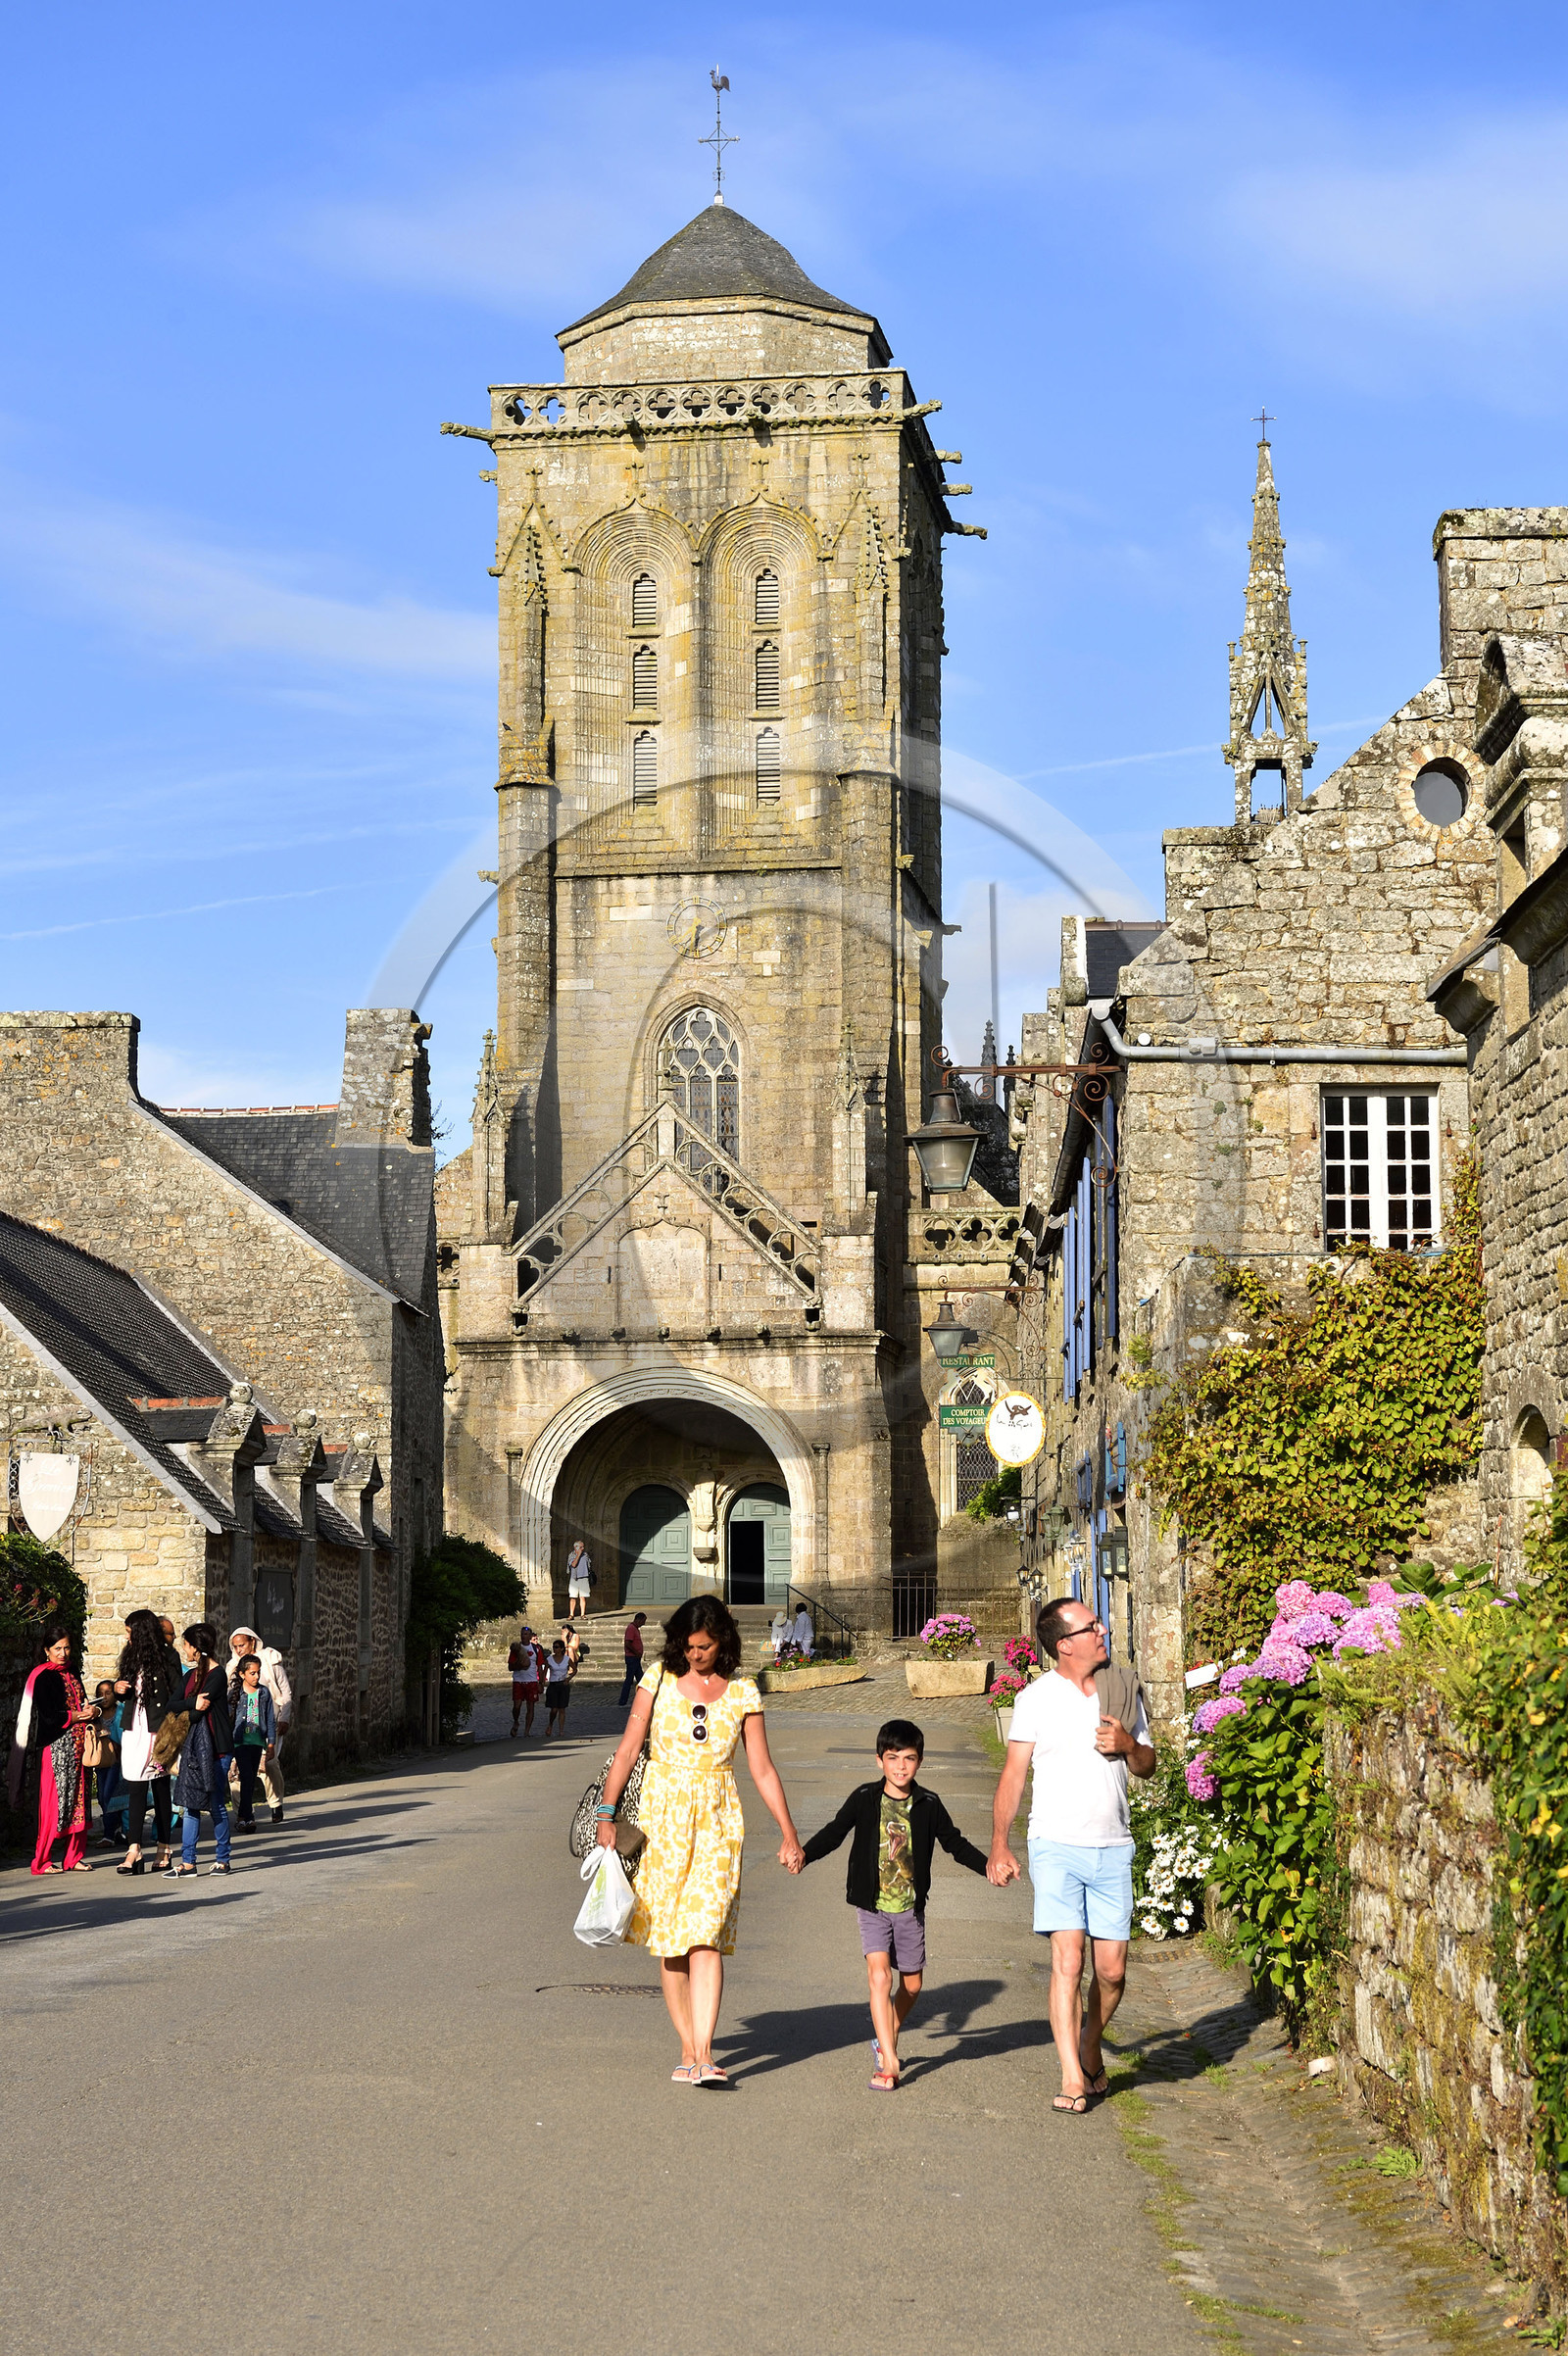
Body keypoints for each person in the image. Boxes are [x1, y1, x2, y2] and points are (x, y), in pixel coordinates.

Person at [596, 1595, 805, 2087]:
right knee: (672, 1940)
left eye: (705, 1646)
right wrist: (607, 1812)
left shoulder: (743, 1693)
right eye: (688, 1646)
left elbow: (762, 1768)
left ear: (723, 1642)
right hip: (662, 1820)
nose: (695, 1655)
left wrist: (789, 1832)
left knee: (705, 1934)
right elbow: (628, 1747)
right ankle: (688, 2050)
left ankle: (706, 2055)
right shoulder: (656, 1679)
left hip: (717, 1821)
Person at [987, 1598, 1154, 2113]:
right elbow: (1014, 1775)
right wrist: (1000, 1843)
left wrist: (1128, 1743)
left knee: (1112, 1972)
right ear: (1065, 1644)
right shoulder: (1036, 1699)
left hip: (1112, 1846)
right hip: (1055, 1843)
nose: (1102, 1629)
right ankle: (1071, 2077)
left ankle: (1090, 2043)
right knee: (1068, 1960)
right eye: (1090, 1625)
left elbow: (1147, 1765)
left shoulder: (1122, 1689)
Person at [796, 1717, 989, 2089]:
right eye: (893, 1757)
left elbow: (955, 1844)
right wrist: (804, 1854)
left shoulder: (929, 1804)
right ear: (879, 1760)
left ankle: (887, 2033)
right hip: (872, 1905)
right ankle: (888, 2061)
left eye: (910, 1758)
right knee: (880, 1977)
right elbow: (835, 1832)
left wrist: (988, 1867)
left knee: (912, 1985)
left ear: (920, 1762)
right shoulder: (865, 1799)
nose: (901, 1766)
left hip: (909, 1907)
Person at [7, 1624, 99, 1873]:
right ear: (46, 1650)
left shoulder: (73, 1673)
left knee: (80, 1802)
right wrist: (79, 1716)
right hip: (55, 1748)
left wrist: (92, 1711)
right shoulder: (42, 1676)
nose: (63, 1653)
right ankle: (42, 1860)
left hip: (79, 1747)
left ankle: (73, 1857)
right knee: (52, 1804)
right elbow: (48, 1716)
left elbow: (84, 1703)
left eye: (67, 1647)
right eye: (57, 1648)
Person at [113, 1607, 184, 1876]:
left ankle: (164, 1846)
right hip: (134, 1728)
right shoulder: (130, 1656)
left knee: (161, 1787)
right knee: (135, 1788)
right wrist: (119, 1688)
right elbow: (126, 1693)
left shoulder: (168, 1656)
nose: (128, 1638)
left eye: (131, 1633)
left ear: (142, 1632)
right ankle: (134, 1849)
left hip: (157, 1729)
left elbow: (178, 1692)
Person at [172, 1623, 233, 1877]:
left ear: (195, 1648)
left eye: (186, 1644)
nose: (184, 1649)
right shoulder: (188, 1676)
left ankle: (223, 1858)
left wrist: (190, 1706)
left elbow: (198, 1713)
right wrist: (189, 1703)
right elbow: (172, 1705)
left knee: (216, 1803)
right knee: (191, 1805)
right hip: (193, 1750)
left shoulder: (217, 1675)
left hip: (217, 1749)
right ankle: (188, 1862)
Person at [226, 1624, 291, 1824]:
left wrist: (284, 1718)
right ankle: (242, 1812)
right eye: (235, 1646)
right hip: (240, 1734)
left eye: (242, 1645)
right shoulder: (232, 1667)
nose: (238, 1649)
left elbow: (285, 1692)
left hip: (264, 1724)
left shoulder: (270, 1660)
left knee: (269, 1766)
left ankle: (275, 1803)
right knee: (236, 1773)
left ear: (252, 1642)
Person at [228, 1653, 276, 1833]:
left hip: (257, 1742)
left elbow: (270, 1719)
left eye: (258, 1673)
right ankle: (246, 1817)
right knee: (247, 1776)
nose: (256, 1677)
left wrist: (270, 1743)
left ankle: (244, 1816)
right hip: (240, 1742)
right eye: (252, 1673)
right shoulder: (235, 1694)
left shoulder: (263, 1693)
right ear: (242, 1674)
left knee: (249, 1780)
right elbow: (228, 1720)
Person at [92, 1679, 129, 1848]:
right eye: (100, 1694)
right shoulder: (96, 1715)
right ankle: (116, 1830)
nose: (104, 1697)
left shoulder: (122, 1711)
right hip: (102, 1761)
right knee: (102, 1796)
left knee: (111, 1796)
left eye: (108, 1693)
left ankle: (109, 1835)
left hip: (119, 1760)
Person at [510, 1626, 544, 1738]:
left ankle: (527, 1731)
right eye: (522, 1634)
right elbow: (510, 1666)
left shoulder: (536, 1649)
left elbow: (539, 1667)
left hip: (532, 1680)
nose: (523, 1636)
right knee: (517, 1706)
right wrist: (520, 1665)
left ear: (530, 1636)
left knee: (531, 1706)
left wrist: (541, 1683)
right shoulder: (516, 1648)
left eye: (526, 1634)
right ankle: (516, 1721)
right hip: (518, 1680)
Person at [543, 1638, 575, 1738]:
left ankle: (561, 1730)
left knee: (562, 1709)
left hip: (563, 1684)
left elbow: (574, 1669)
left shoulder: (566, 1659)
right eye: (554, 1647)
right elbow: (544, 1673)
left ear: (561, 1649)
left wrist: (568, 1679)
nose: (554, 1649)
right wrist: (542, 1682)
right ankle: (550, 1724)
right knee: (554, 1709)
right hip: (553, 1685)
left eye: (556, 1647)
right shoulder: (549, 1659)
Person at [619, 1612, 648, 1707]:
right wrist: (636, 1652)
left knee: (641, 1679)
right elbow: (628, 1643)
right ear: (638, 1620)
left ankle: (644, 1699)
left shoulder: (635, 1629)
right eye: (643, 1621)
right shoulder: (631, 1628)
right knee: (629, 1680)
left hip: (635, 1658)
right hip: (632, 1658)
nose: (643, 1623)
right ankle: (623, 1701)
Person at [565, 1540, 593, 1618]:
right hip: (574, 1578)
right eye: (580, 1547)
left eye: (583, 1547)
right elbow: (573, 1565)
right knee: (573, 1597)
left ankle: (583, 1614)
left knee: (583, 1597)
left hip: (584, 1578)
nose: (582, 1549)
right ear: (575, 1547)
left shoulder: (585, 1555)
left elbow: (589, 1566)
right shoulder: (571, 1555)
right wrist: (578, 1555)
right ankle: (571, 1614)